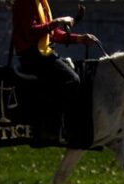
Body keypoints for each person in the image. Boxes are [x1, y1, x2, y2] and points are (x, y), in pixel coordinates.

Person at [11, 0, 98, 141]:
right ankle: (51, 129)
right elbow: (30, 32)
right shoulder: (26, 2)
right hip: (32, 55)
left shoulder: (41, 2)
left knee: (73, 71)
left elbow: (51, 33)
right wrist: (58, 21)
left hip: (43, 52)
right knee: (72, 79)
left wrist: (79, 39)